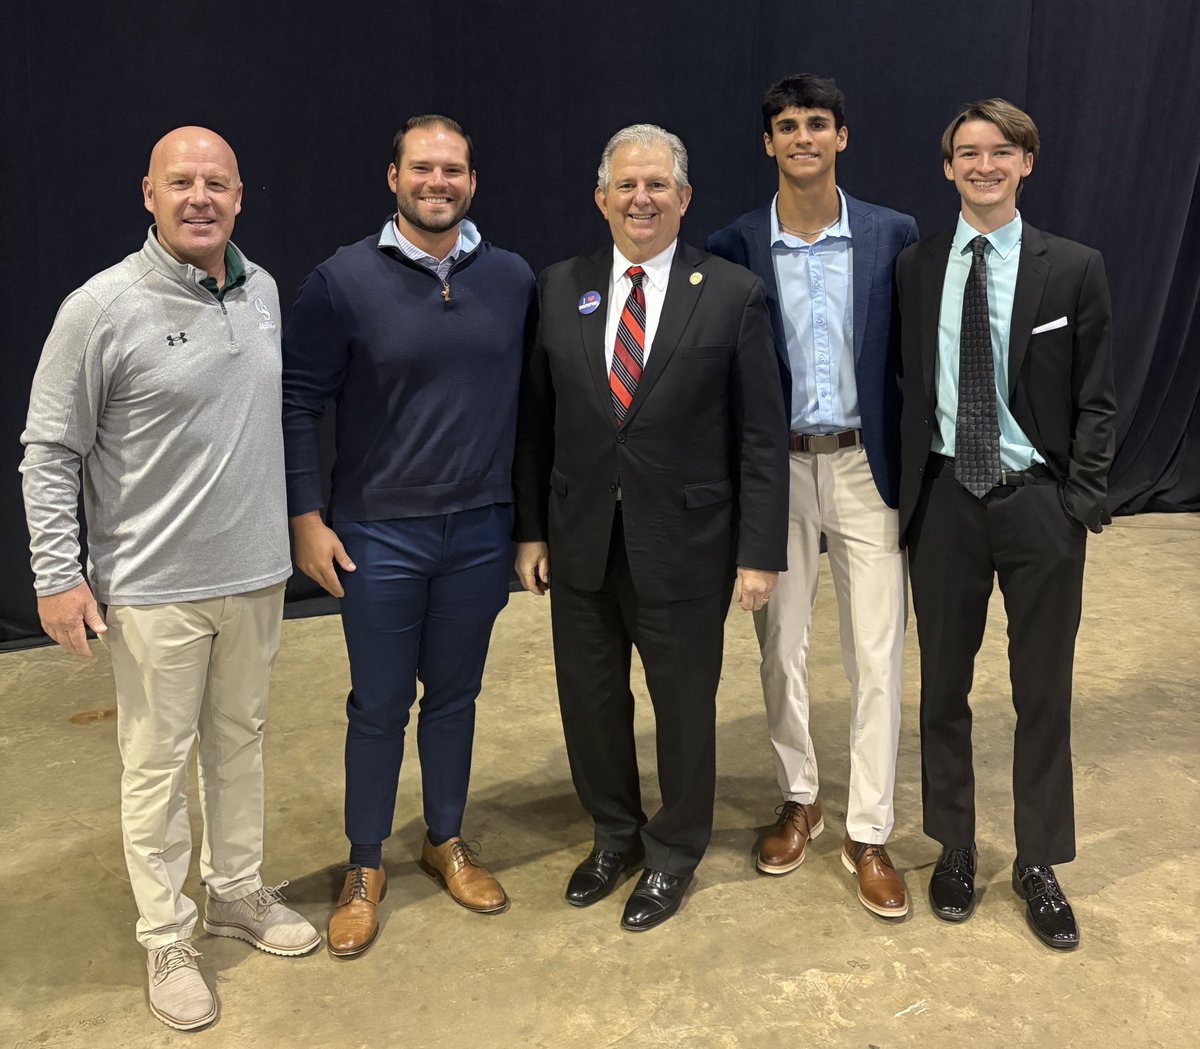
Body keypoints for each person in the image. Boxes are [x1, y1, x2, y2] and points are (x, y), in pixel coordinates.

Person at [20, 127, 319, 1031]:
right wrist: (57, 573)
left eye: (216, 183)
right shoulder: (100, 307)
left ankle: (235, 889)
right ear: (146, 193)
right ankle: (167, 933)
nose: (200, 197)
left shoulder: (262, 290)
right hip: (153, 588)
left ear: (240, 196)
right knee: (155, 763)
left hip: (256, 577)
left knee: (240, 743)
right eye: (180, 181)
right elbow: (48, 450)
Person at [513, 123, 788, 932]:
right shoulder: (558, 286)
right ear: (601, 198)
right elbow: (536, 423)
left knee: (682, 710)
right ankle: (613, 835)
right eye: (626, 185)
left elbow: (760, 436)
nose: (642, 198)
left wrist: (759, 552)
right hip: (581, 542)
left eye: (657, 185)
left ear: (684, 198)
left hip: (689, 548)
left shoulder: (732, 292)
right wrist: (531, 532)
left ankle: (673, 853)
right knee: (589, 703)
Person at [282, 115, 535, 957]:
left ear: (472, 181)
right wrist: (305, 517)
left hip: (480, 529)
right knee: (380, 705)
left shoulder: (511, 278)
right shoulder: (339, 281)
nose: (439, 181)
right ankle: (363, 865)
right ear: (392, 176)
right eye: (422, 167)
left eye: (454, 169)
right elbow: (296, 403)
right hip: (377, 534)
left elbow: (536, 410)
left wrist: (526, 525)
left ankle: (446, 838)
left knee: (455, 697)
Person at [896, 99, 1116, 949]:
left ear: (1027, 161)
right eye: (966, 152)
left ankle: (1037, 860)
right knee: (943, 687)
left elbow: (1097, 396)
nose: (983, 164)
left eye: (1001, 151)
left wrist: (1078, 501)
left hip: (1038, 503)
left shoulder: (1074, 267)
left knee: (1041, 694)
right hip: (947, 501)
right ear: (947, 166)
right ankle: (953, 844)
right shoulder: (918, 267)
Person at [706, 73, 918, 918]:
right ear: (768, 143)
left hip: (868, 465)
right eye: (787, 126)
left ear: (841, 137)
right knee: (779, 645)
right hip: (776, 468)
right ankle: (801, 796)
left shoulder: (891, 232)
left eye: (818, 124)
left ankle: (868, 828)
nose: (803, 137)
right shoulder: (733, 244)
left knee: (877, 650)